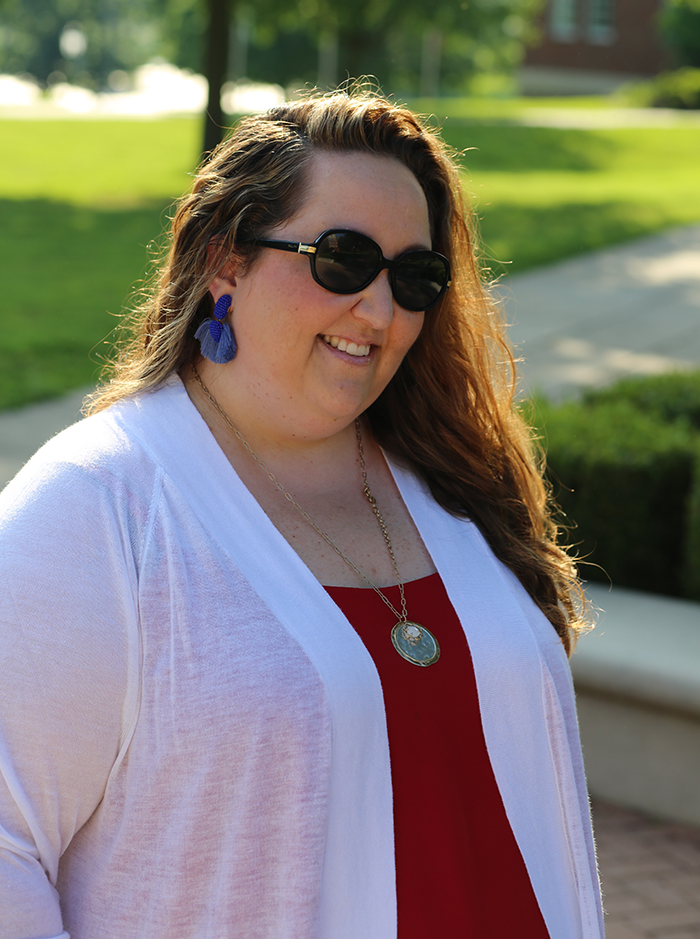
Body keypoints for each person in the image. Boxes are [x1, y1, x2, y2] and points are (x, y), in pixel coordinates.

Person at [0, 91, 603, 939]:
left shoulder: (448, 482)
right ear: (224, 260)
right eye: (342, 260)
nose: (383, 311)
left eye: (415, 277)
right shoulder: (97, 508)